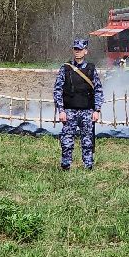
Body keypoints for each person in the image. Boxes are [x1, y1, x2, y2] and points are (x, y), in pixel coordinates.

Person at [53, 38, 103, 171]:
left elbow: (98, 90)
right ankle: (65, 166)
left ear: (86, 51)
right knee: (67, 140)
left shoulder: (91, 69)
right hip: (69, 111)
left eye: (80, 49)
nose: (77, 52)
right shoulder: (65, 68)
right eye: (75, 49)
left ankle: (88, 166)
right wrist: (61, 110)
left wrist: (97, 110)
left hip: (87, 111)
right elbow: (58, 90)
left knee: (87, 140)